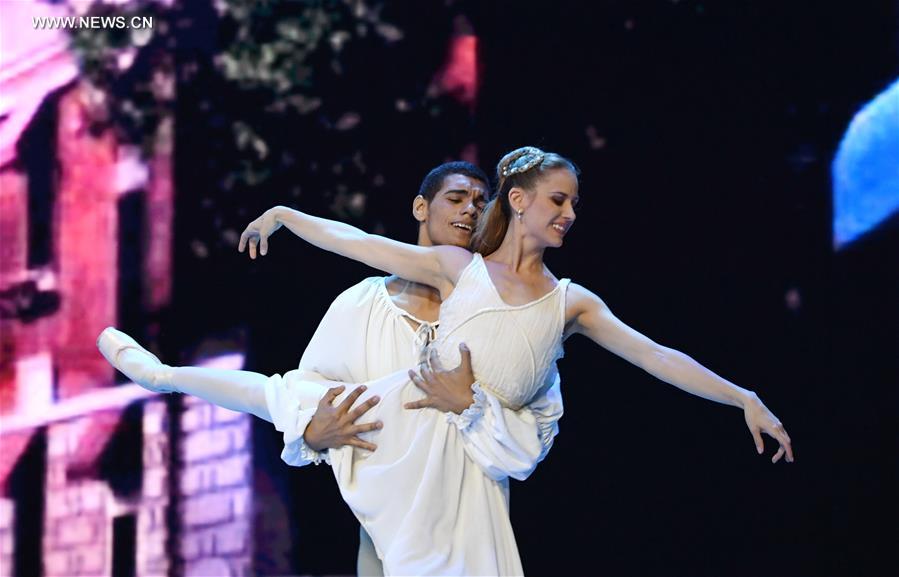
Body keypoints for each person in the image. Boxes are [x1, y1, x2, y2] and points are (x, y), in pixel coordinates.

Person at [228, 145, 794, 575]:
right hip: (401, 465)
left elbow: (657, 355)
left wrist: (741, 396)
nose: (570, 212)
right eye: (558, 199)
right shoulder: (458, 268)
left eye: (574, 203)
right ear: (519, 201)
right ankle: (163, 375)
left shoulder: (570, 301)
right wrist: (285, 215)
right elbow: (360, 243)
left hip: (470, 489)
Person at [97, 161, 566, 576]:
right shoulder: (363, 303)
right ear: (421, 207)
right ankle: (165, 376)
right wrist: (314, 435)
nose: (470, 209)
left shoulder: (502, 312)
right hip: (386, 525)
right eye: (457, 198)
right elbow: (305, 393)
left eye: (481, 203)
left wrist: (473, 405)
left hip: (466, 520)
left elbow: (532, 432)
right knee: (286, 396)